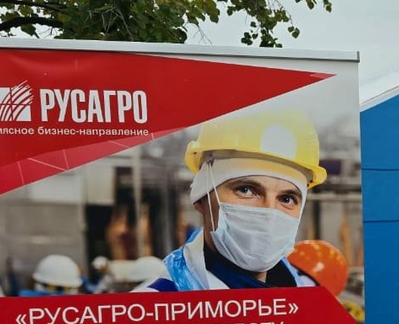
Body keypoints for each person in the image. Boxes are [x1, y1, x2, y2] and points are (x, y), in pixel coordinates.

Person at [139, 110, 327, 292]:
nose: (270, 213)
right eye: (246, 190)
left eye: (286, 199)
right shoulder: (154, 312)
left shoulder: (305, 301)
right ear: (201, 197)